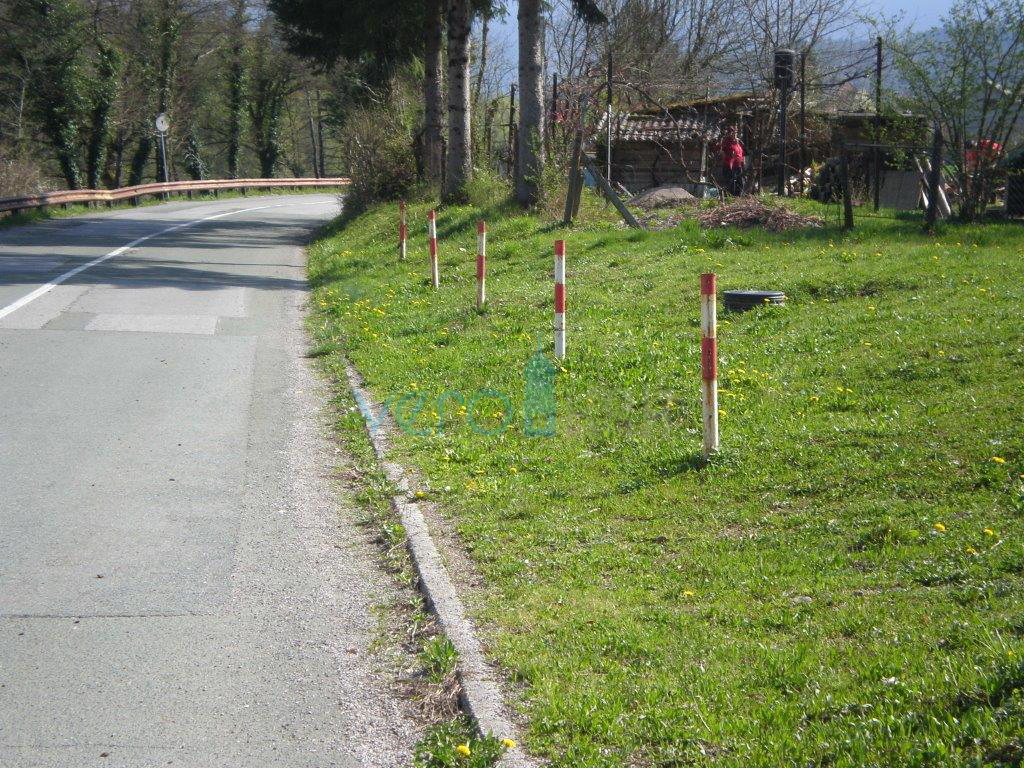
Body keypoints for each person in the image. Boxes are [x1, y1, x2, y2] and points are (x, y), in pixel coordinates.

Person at [720, 127, 745, 196]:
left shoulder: (738, 142)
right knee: (731, 182)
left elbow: (742, 153)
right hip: (729, 165)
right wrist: (730, 155)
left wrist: (742, 162)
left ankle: (738, 197)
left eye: (735, 132)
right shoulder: (726, 142)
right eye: (732, 132)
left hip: (738, 165)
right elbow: (722, 152)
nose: (734, 134)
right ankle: (730, 197)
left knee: (740, 182)